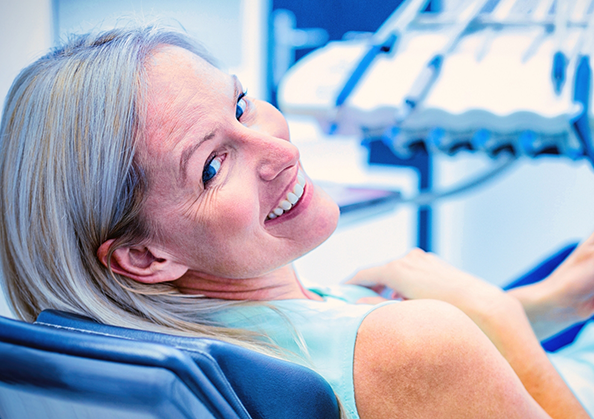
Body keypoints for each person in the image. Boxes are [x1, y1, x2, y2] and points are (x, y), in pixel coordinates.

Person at [0, 26, 592, 419]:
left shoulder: (201, 356)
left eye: (240, 105)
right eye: (212, 165)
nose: (279, 150)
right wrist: (501, 323)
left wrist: (539, 306)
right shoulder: (413, 344)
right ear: (144, 257)